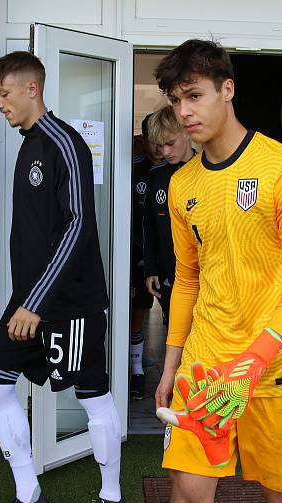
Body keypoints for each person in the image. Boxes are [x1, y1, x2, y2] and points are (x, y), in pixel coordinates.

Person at [153, 40, 282, 503]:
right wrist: (172, 364)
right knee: (188, 498)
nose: (184, 111)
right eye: (176, 100)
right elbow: (188, 279)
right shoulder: (182, 183)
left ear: (227, 89)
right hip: (206, 365)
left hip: (272, 369)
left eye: (194, 95)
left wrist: (253, 361)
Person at [0, 51, 125, 503]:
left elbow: (79, 224)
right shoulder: (29, 143)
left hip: (68, 303)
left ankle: (111, 494)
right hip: (30, 300)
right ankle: (29, 494)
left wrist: (35, 302)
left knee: (92, 394)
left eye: (2, 94)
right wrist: (28, 299)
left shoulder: (65, 142)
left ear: (31, 88)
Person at [142, 105, 196, 327]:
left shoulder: (208, 171)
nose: (165, 152)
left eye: (170, 143)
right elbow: (149, 226)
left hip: (204, 276)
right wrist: (151, 269)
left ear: (186, 132)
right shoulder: (155, 176)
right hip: (168, 272)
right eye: (160, 146)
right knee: (175, 334)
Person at [129, 114, 164, 400]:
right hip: (136, 255)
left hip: (172, 261)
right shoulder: (134, 170)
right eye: (153, 139)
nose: (159, 146)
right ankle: (136, 371)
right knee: (136, 314)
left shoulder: (180, 170)